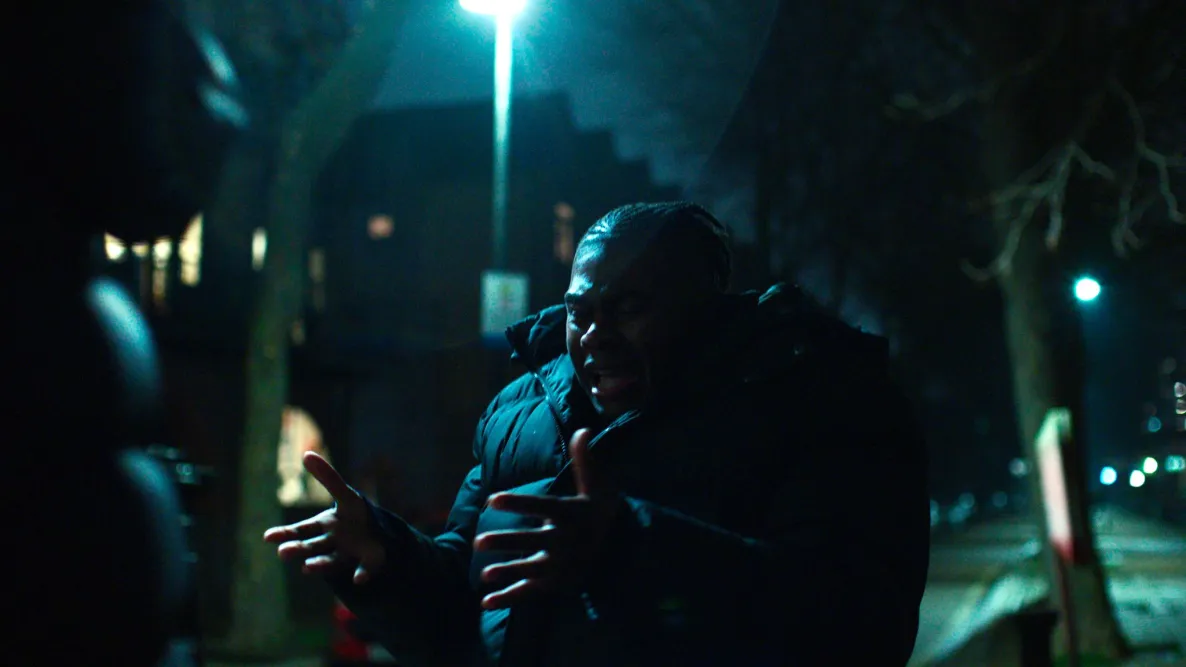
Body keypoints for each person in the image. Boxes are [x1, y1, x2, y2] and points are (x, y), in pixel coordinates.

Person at [265, 201, 930, 666]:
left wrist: (633, 549)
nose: (596, 337)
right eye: (580, 312)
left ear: (711, 308)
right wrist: (385, 560)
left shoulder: (817, 402)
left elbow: (859, 626)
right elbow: (464, 619)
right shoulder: (517, 412)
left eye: (632, 308)